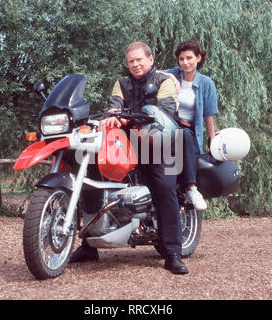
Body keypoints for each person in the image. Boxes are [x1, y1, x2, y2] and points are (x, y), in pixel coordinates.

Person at [70, 41, 189, 275]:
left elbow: (165, 110)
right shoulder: (121, 84)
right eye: (130, 61)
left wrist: (126, 119)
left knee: (164, 188)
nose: (135, 64)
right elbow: (114, 105)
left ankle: (173, 252)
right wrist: (112, 116)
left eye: (139, 60)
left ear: (150, 59)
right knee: (94, 177)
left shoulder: (164, 82)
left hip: (155, 141)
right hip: (125, 142)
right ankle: (89, 245)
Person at [161, 39, 219, 210]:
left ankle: (191, 187)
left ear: (198, 58)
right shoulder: (174, 74)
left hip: (189, 132)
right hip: (170, 127)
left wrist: (212, 139)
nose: (185, 63)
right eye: (181, 59)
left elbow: (208, 114)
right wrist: (171, 76)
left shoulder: (206, 83)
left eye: (189, 58)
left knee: (184, 134)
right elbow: (151, 72)